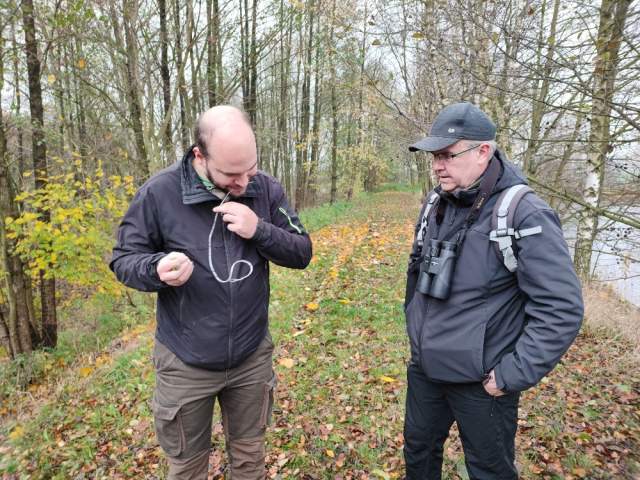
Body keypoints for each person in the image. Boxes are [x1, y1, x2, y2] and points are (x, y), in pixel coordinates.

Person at [110, 105, 312, 480]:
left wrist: (259, 229)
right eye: (232, 174)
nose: (244, 182)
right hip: (185, 361)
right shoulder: (159, 193)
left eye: (250, 168)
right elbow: (123, 260)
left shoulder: (265, 189)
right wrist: (155, 268)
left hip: (251, 355)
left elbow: (302, 252)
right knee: (187, 467)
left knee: (249, 459)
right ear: (199, 156)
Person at [403, 102, 583, 479]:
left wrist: (511, 374)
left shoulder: (524, 213)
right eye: (434, 156)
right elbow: (416, 275)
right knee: (418, 451)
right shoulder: (436, 203)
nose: (437, 165)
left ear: (483, 151)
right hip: (426, 370)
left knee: (489, 470)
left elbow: (561, 308)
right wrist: (416, 338)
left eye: (447, 155)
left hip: (482, 382)